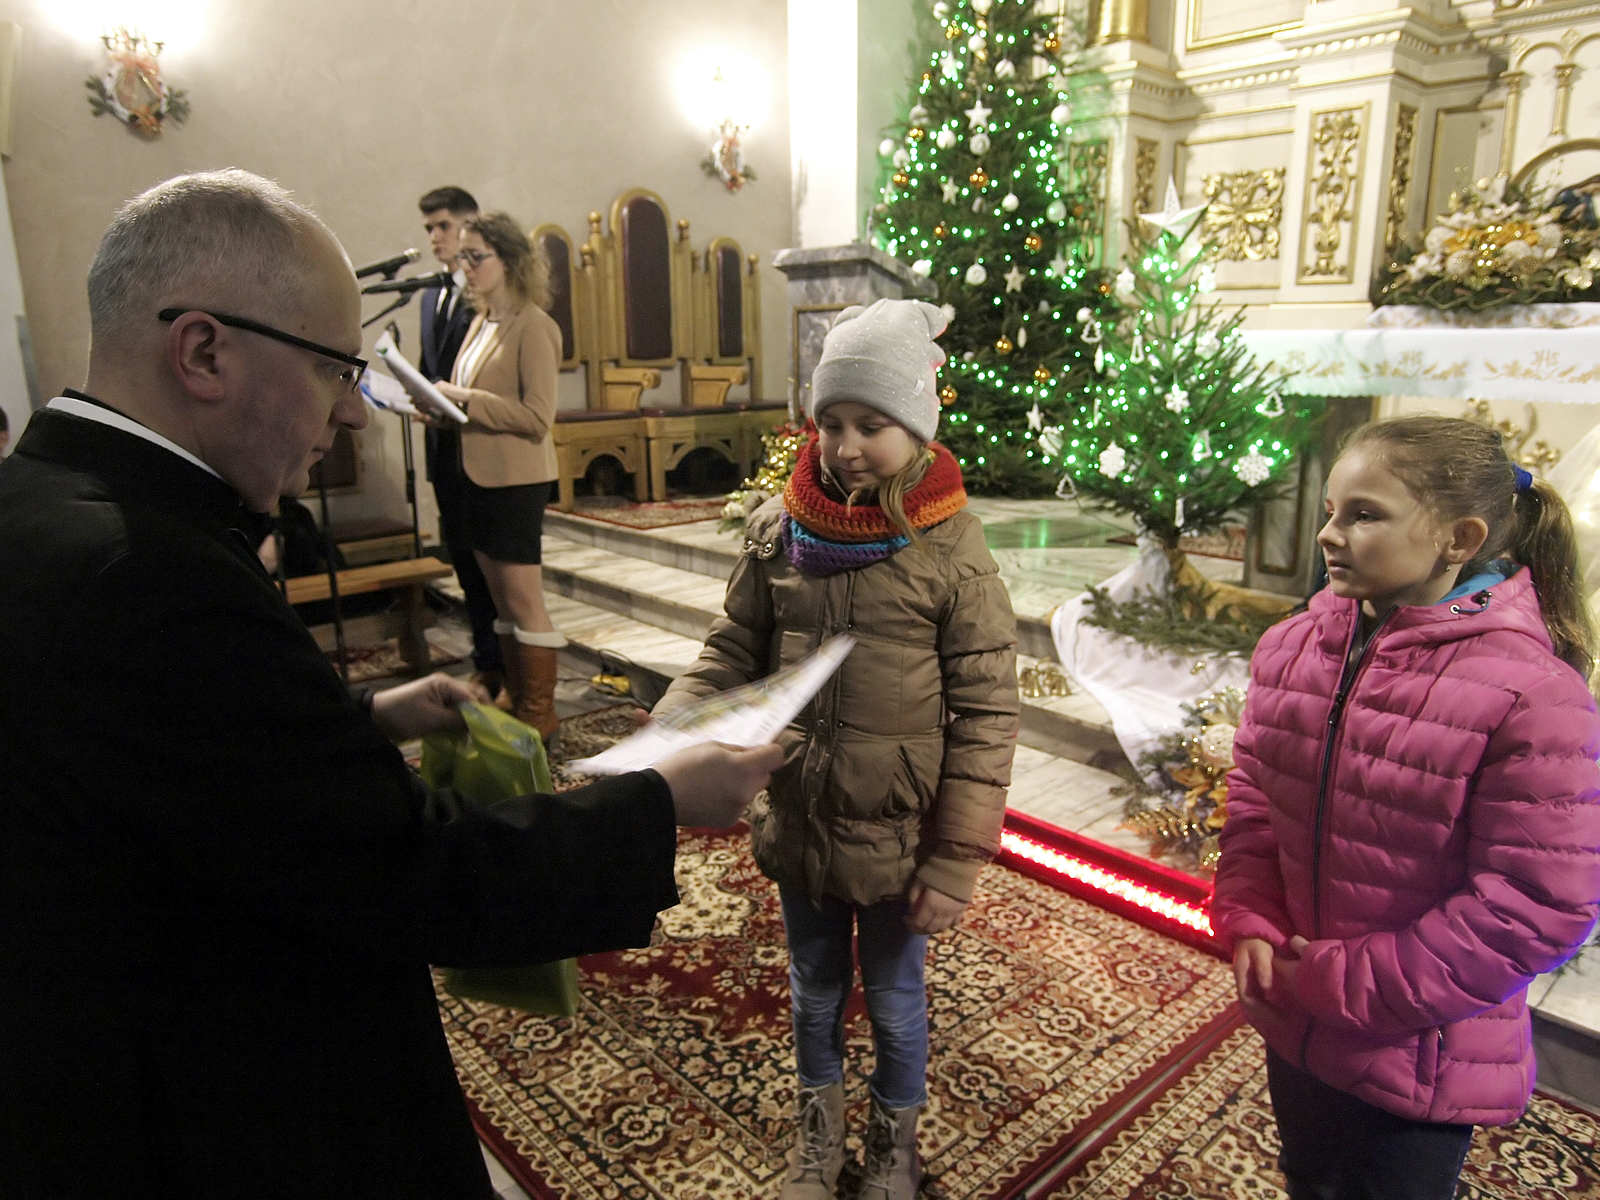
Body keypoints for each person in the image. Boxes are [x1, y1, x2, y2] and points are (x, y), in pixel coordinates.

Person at [0, 169, 782, 1200]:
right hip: (224, 1100)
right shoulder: (152, 578)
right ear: (204, 351)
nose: (354, 415)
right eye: (334, 369)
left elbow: (186, 766)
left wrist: (363, 714)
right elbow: (406, 874)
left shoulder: (42, 499)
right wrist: (660, 801)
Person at [652, 299, 1020, 1200]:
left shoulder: (952, 552)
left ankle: (895, 1147)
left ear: (917, 429)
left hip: (898, 833)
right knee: (813, 988)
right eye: (832, 423)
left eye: (872, 425)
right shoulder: (780, 532)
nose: (847, 447)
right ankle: (819, 1140)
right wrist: (678, 724)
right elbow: (732, 648)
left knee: (893, 1000)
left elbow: (986, 714)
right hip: (803, 816)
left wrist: (957, 857)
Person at [1212, 415, 1600, 1200]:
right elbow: (1255, 794)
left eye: (1364, 515)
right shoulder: (1292, 647)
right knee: (1309, 1179)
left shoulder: (1531, 694)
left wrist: (1347, 983)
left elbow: (1538, 905)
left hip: (1420, 1052)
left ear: (1459, 538)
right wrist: (1249, 911)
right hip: (1299, 1020)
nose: (1329, 534)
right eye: (1331, 510)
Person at [433, 212, 566, 746]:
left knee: (523, 598)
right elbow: (473, 406)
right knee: (499, 598)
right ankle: (516, 690)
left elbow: (537, 417)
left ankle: (541, 711)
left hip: (514, 481)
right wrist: (440, 408)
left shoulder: (534, 325)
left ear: (509, 260)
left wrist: (467, 400)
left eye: (476, 256)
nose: (464, 266)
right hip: (475, 475)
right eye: (463, 256)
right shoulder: (482, 321)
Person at [416, 185, 505, 702]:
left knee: (490, 568)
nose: (435, 238)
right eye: (429, 228)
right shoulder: (431, 295)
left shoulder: (485, 298)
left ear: (469, 226)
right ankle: (483, 660)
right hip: (442, 450)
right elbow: (429, 371)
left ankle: (501, 667)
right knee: (464, 567)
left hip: (480, 447)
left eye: (443, 227)